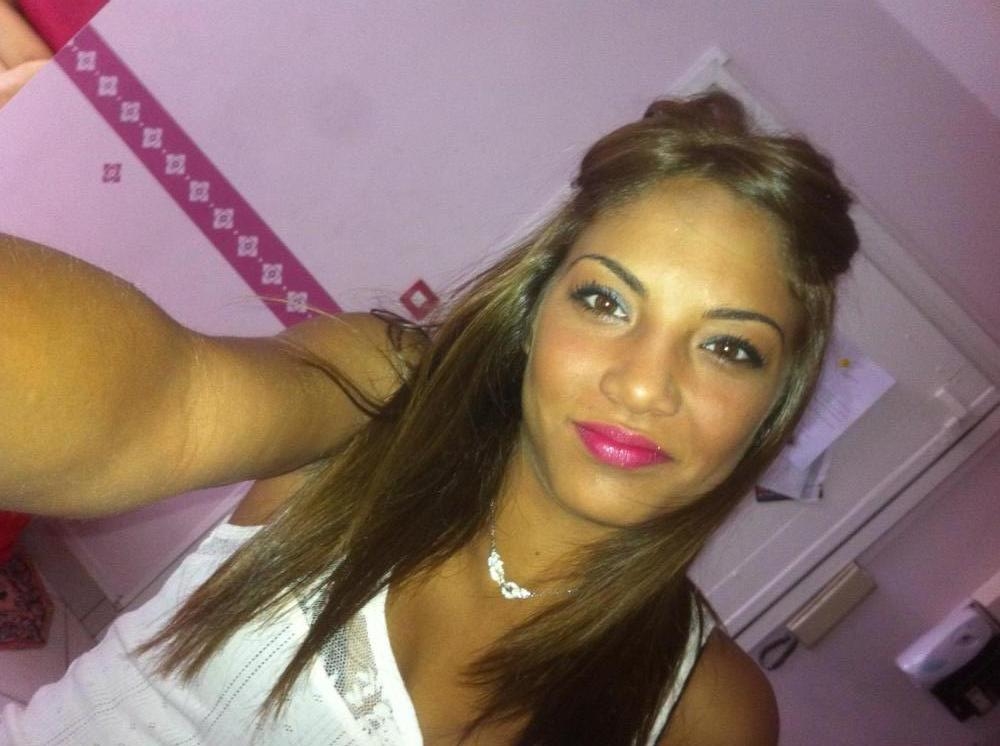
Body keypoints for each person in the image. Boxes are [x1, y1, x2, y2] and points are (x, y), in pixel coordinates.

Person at [0, 90, 858, 745]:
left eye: (729, 348)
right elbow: (166, 403)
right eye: (605, 301)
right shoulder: (383, 394)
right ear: (535, 310)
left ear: (775, 406)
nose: (642, 386)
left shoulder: (708, 713)